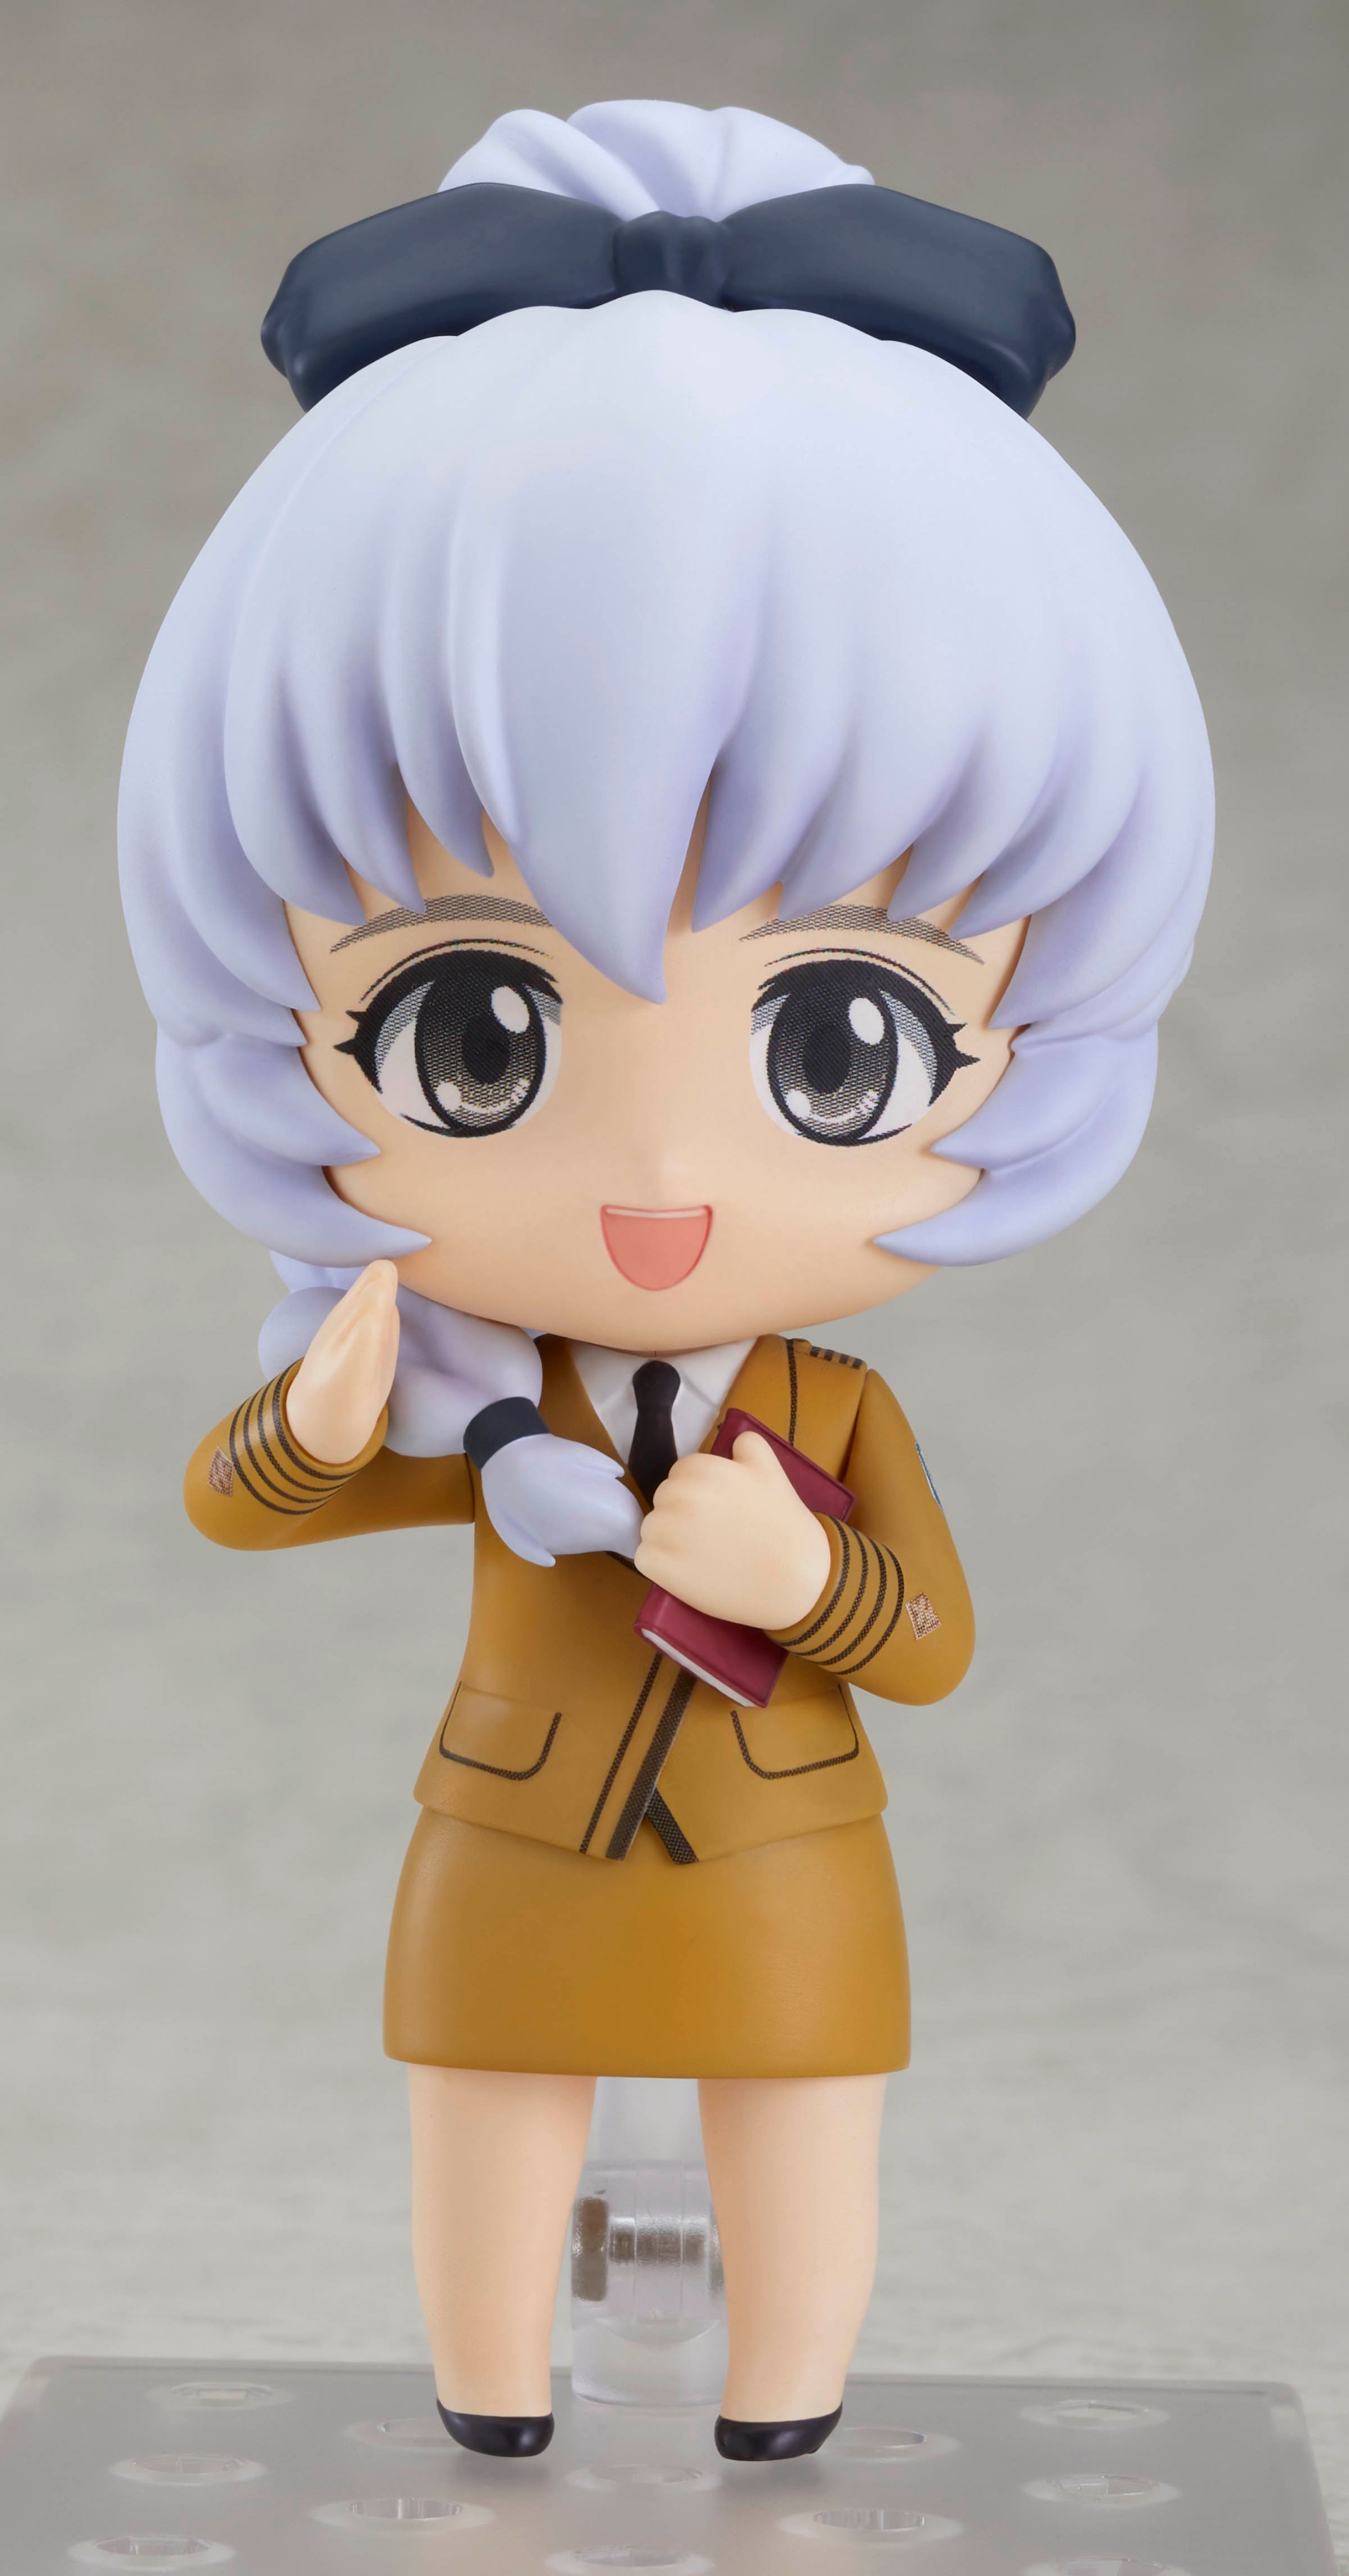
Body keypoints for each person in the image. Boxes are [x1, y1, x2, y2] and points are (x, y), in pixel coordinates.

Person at [118, 97, 1213, 2462]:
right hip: (508, 1839)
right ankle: (491, 2405)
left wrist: (803, 1578)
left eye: (838, 1043)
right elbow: (239, 1505)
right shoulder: (452, 1378)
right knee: (485, 2112)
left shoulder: (823, 1415)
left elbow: (928, 1638)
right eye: (473, 1031)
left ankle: (784, 2414)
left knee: (798, 2122)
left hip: (777, 1846)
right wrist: (317, 1423)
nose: (651, 1179)